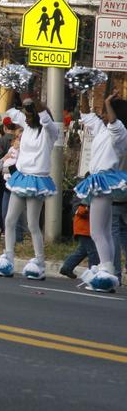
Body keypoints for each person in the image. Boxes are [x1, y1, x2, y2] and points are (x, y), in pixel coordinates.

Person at [0, 99, 60, 280]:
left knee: (32, 224)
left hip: (37, 179)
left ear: (38, 115)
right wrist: (22, 90)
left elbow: (45, 119)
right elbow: (10, 112)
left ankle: (39, 261)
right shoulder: (27, 126)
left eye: (30, 115)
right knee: (9, 220)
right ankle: (8, 257)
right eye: (26, 116)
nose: (26, 119)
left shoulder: (49, 131)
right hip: (21, 177)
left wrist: (35, 103)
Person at [70, 90, 127, 292]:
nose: (102, 115)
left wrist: (108, 103)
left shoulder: (120, 132)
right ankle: (107, 269)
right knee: (104, 232)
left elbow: (113, 122)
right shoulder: (103, 129)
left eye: (106, 112)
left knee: (97, 232)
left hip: (104, 180)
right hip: (98, 180)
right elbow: (86, 115)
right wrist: (83, 90)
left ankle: (106, 270)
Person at [59, 203, 98, 279]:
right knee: (93, 252)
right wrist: (88, 209)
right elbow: (78, 209)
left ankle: (67, 267)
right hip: (84, 229)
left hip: (86, 229)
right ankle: (93, 274)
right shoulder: (82, 197)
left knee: (82, 251)